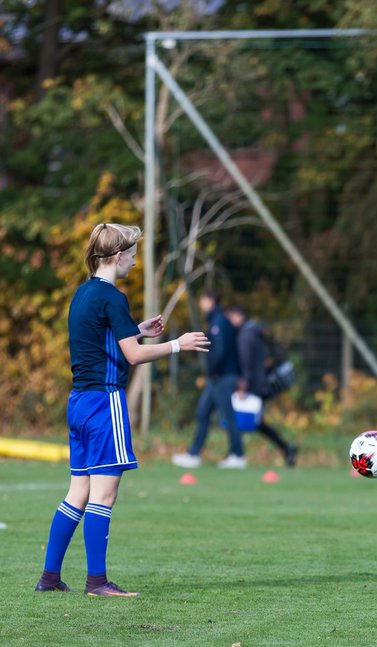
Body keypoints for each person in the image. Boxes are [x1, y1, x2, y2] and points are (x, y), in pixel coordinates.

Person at [35, 223, 210, 596]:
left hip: (79, 402)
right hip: (104, 402)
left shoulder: (83, 294)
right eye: (132, 256)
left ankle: (49, 578)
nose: (134, 262)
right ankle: (97, 582)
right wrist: (177, 345)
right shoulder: (113, 297)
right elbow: (131, 355)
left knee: (77, 493)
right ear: (118, 256)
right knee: (104, 495)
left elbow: (101, 341)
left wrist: (138, 329)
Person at [172, 289, 247, 469]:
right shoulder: (216, 320)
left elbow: (219, 352)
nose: (201, 304)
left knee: (226, 415)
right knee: (203, 412)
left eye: (203, 300)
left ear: (210, 301)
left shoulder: (219, 322)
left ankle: (237, 455)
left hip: (222, 376)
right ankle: (194, 454)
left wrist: (210, 369)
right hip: (217, 377)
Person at [225, 304, 298, 467]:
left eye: (230, 318)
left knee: (242, 419)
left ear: (238, 316)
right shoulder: (255, 332)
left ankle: (236, 455)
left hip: (253, 386)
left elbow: (246, 362)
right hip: (261, 384)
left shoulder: (244, 335)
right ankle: (286, 448)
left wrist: (243, 384)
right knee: (254, 423)